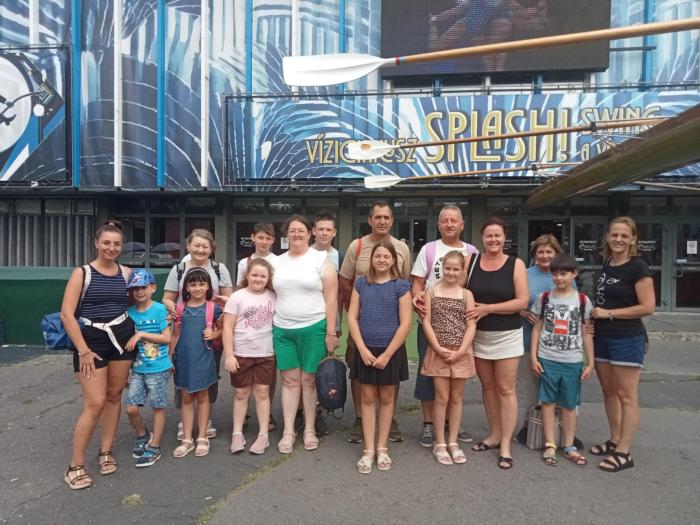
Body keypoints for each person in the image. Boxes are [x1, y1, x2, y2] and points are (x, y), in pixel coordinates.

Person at [61, 220, 135, 490]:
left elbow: (130, 304)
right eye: (106, 243)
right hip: (90, 343)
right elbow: (67, 314)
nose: (111, 248)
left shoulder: (126, 273)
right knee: (95, 403)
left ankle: (106, 451)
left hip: (121, 341)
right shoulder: (82, 273)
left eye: (116, 244)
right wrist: (83, 350)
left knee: (114, 396)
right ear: (96, 243)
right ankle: (75, 466)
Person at [339, 201, 412, 444]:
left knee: (390, 371)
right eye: (377, 217)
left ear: (392, 221)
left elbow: (405, 282)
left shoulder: (401, 248)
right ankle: (361, 419)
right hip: (361, 324)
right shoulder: (357, 246)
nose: (382, 221)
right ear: (370, 220)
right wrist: (355, 313)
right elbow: (345, 281)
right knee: (358, 370)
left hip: (390, 324)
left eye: (386, 217)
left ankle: (389, 420)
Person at [590, 217, 655, 472]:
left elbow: (647, 307)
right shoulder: (608, 263)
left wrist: (609, 313)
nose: (618, 239)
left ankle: (624, 452)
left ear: (633, 239)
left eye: (624, 236)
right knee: (609, 391)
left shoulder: (638, 267)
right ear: (608, 237)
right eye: (614, 235)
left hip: (627, 337)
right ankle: (614, 439)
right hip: (602, 336)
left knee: (627, 396)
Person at [411, 205, 478, 447]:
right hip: (431, 325)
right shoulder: (429, 250)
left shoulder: (472, 252)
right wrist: (417, 299)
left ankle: (451, 424)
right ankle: (429, 424)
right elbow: (417, 283)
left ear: (462, 224)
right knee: (428, 375)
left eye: (454, 220)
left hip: (460, 327)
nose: (449, 224)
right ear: (438, 225)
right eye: (445, 221)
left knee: (456, 377)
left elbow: (475, 286)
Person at [272, 215, 338, 454]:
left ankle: (309, 429)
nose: (297, 234)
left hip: (314, 328)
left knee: (309, 381)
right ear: (286, 234)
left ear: (310, 233)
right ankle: (289, 431)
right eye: (292, 230)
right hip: (283, 329)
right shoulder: (276, 262)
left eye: (301, 230)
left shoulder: (321, 260)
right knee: (289, 382)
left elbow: (332, 299)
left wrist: (331, 332)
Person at [466, 217, 529, 470]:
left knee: (506, 389)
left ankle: (505, 444)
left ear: (505, 238)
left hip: (507, 335)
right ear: (482, 238)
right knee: (488, 387)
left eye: (497, 235)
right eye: (489, 235)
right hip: (479, 335)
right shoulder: (471, 262)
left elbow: (522, 301)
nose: (493, 240)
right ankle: (494, 435)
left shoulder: (516, 264)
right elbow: (456, 290)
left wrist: (488, 309)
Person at [348, 241, 412, 473]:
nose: (382, 260)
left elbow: (405, 323)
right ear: (371, 259)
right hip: (366, 349)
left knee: (386, 398)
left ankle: (382, 447)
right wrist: (362, 349)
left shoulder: (401, 286)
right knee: (366, 398)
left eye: (386, 256)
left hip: (390, 351)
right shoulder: (361, 284)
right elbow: (352, 318)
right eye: (378, 256)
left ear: (393, 259)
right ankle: (368, 449)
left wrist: (387, 354)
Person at [163, 229, 233, 440]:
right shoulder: (178, 269)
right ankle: (184, 421)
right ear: (188, 246)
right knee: (183, 375)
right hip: (184, 327)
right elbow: (167, 298)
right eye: (197, 245)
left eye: (205, 246)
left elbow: (229, 302)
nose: (200, 250)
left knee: (209, 375)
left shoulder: (219, 269)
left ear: (211, 249)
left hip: (210, 331)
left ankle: (206, 418)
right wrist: (173, 309)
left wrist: (217, 327)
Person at [529, 254, 594, 467]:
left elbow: (586, 334)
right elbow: (536, 328)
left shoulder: (582, 301)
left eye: (564, 273)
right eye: (555, 273)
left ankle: (568, 445)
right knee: (547, 402)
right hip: (547, 358)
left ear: (574, 274)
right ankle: (550, 443)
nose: (558, 277)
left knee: (569, 404)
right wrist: (533, 356)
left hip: (572, 360)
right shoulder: (544, 298)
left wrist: (590, 362)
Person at [420, 251, 477, 466]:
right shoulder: (432, 291)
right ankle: (440, 442)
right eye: (448, 268)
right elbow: (426, 321)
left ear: (462, 271)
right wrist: (436, 346)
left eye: (456, 269)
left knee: (456, 397)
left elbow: (471, 324)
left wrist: (461, 350)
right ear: (442, 269)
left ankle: (453, 441)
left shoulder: (466, 294)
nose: (451, 273)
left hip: (460, 352)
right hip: (438, 351)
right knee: (441, 397)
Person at [223, 259, 276, 455]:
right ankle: (237, 433)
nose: (258, 279)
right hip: (242, 353)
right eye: (254, 275)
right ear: (247, 275)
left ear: (268, 278)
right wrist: (229, 355)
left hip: (265, 353)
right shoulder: (237, 297)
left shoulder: (273, 296)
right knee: (241, 393)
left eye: (263, 276)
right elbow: (227, 327)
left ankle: (263, 434)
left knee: (262, 392)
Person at [170, 268, 223, 458]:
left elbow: (225, 328)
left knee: (203, 397)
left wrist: (214, 333)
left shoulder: (213, 308)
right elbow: (174, 334)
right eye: (193, 284)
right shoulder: (180, 308)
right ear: (186, 287)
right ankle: (186, 439)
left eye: (202, 284)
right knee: (186, 397)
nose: (198, 288)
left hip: (204, 359)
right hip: (183, 360)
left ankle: (202, 436)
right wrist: (169, 358)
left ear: (208, 286)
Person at [124, 270, 172, 467]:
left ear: (152, 288)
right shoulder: (129, 313)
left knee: (157, 407)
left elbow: (167, 338)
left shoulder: (159, 310)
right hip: (138, 368)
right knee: (131, 408)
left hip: (158, 367)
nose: (139, 291)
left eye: (143, 287)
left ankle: (155, 446)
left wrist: (142, 334)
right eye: (135, 288)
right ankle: (142, 434)